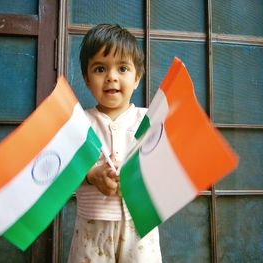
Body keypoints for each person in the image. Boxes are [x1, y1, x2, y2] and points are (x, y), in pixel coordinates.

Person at [68, 24, 162, 263]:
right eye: (100, 69)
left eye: (122, 68)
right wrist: (92, 175)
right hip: (91, 229)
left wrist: (134, 176)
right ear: (87, 79)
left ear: (137, 77)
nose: (111, 76)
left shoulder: (150, 120)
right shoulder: (77, 123)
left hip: (140, 227)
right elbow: (62, 174)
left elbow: (166, 170)